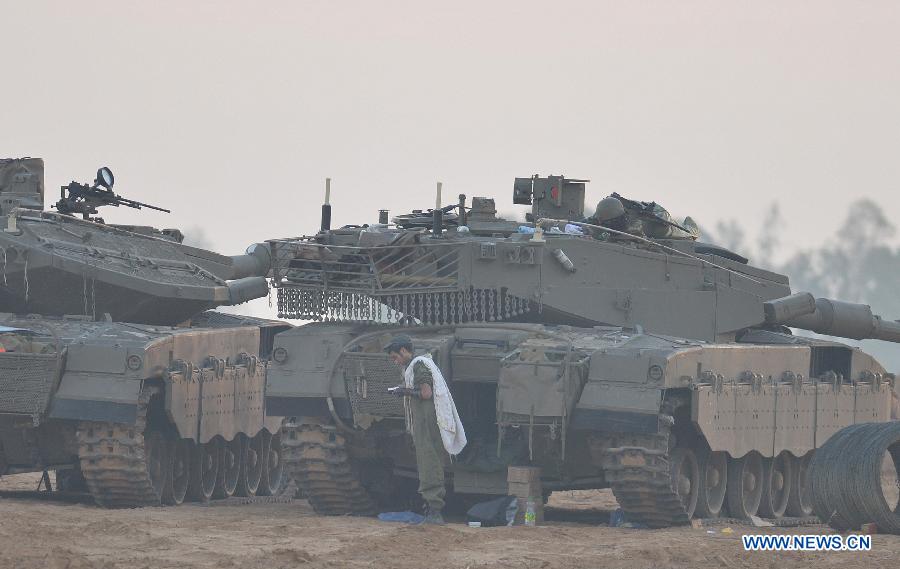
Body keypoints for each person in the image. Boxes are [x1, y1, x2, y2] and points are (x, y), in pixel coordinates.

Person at [385, 334, 466, 525]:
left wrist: (402, 391)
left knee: (429, 461)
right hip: (426, 421)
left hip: (428, 422)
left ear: (404, 351)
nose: (395, 361)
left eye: (395, 357)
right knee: (428, 460)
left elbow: (425, 393)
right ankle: (432, 508)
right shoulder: (418, 364)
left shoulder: (419, 364)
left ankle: (434, 511)